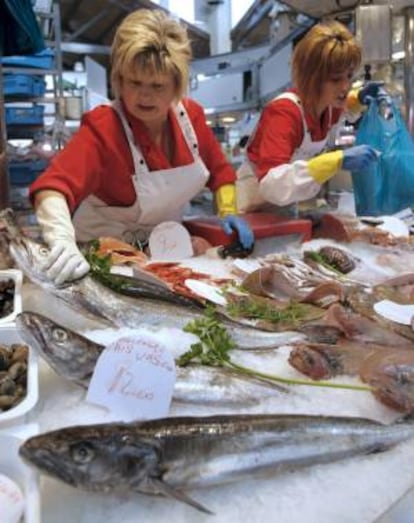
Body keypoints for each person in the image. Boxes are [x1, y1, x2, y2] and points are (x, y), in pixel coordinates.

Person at [30, 8, 254, 285]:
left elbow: (220, 172)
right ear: (119, 80)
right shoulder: (105, 127)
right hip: (100, 254)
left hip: (165, 249)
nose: (144, 95)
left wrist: (229, 210)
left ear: (176, 86)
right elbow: (52, 187)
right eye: (134, 82)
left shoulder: (192, 119)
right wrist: (62, 240)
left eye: (158, 86)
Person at [237, 20, 387, 213]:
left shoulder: (329, 106)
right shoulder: (284, 113)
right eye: (335, 79)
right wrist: (334, 161)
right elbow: (271, 184)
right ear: (312, 78)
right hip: (254, 207)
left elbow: (344, 112)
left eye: (349, 76)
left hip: (286, 204)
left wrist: (358, 99)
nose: (345, 86)